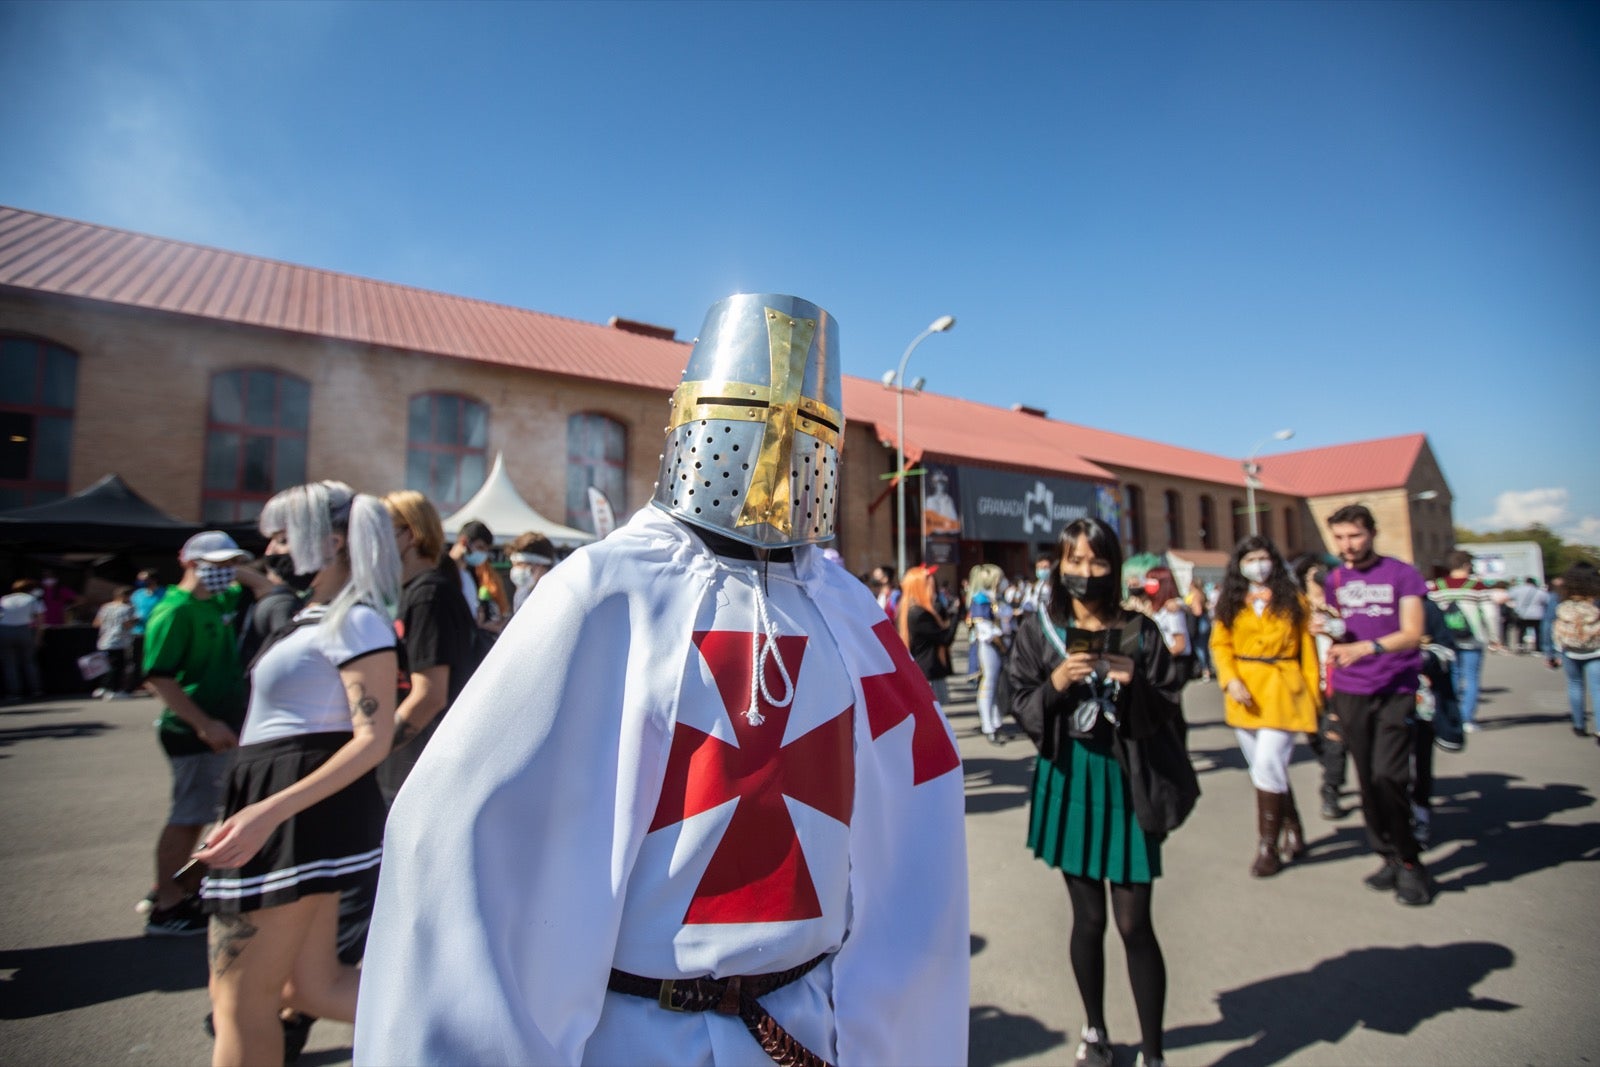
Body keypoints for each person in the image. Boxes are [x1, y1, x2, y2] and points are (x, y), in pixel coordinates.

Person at [354, 293, 969, 1066]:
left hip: (809, 1028)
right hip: (644, 1035)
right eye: (745, 413)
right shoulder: (608, 590)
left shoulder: (846, 611)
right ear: (691, 421)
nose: (773, 448)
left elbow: (917, 817)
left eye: (805, 427)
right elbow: (470, 843)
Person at [193, 480, 399, 1067]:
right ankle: (482, 1022)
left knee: (237, 1000)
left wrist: (265, 812)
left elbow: (373, 738)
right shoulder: (322, 616)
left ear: (331, 541)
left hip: (289, 820)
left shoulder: (354, 622)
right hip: (284, 812)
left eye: (283, 538)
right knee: (304, 989)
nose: (273, 549)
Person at [1007, 516, 1183, 1067]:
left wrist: (1137, 685)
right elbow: (1021, 700)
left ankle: (1153, 1053)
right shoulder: (1040, 629)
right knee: (1087, 920)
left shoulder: (1139, 629)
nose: (1085, 572)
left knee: (1135, 924)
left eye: (1097, 561)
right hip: (1071, 779)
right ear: (1060, 565)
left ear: (1113, 565)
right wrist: (1056, 683)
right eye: (1074, 561)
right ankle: (1095, 1032)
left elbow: (1171, 710)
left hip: (1127, 780)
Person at [140, 532, 253, 936]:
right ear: (188, 562)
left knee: (204, 814)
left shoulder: (217, 601)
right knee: (189, 817)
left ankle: (172, 887)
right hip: (194, 731)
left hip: (219, 725)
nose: (227, 572)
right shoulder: (174, 611)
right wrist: (203, 723)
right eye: (218, 564)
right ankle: (167, 904)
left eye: (230, 564)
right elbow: (159, 677)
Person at [1321, 504, 1432, 906]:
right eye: (1339, 538)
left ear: (1371, 533)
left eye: (1354, 536)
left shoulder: (1402, 574)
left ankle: (1409, 861)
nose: (1346, 545)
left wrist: (1367, 648)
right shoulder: (1334, 578)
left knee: (1390, 776)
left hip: (1394, 687)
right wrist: (1327, 628)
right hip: (1350, 689)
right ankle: (1385, 853)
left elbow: (1413, 633)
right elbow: (1339, 628)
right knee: (1367, 780)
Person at [1209, 537, 1320, 877]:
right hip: (1244, 691)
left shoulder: (1294, 601)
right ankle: (1294, 828)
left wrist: (1316, 700)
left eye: (1263, 557)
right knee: (1266, 769)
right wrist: (1230, 680)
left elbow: (1308, 653)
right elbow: (1220, 644)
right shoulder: (1230, 602)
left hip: (1284, 687)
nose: (1258, 564)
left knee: (1267, 764)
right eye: (1250, 558)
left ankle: (1266, 847)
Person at [379, 489, 479, 802]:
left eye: (381, 532)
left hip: (418, 769)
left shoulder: (429, 596)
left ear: (408, 534)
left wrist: (369, 752)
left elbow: (429, 696)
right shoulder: (413, 593)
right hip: (409, 765)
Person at [1291, 555, 1347, 820]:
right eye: (1313, 572)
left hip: (1339, 683)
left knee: (1335, 737)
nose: (1318, 577)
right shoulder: (1297, 608)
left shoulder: (1340, 604)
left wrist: (1335, 624)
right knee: (1315, 736)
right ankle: (1332, 771)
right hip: (1308, 683)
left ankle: (1331, 790)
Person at [1427, 550, 1490, 732]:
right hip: (1472, 639)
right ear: (1466, 565)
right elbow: (1490, 613)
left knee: (1451, 678)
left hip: (1445, 639)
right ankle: (1467, 718)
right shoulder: (1476, 586)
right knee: (1471, 678)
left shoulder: (1438, 586)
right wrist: (1494, 638)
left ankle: (1451, 715)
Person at [1551, 562, 1600, 739]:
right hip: (1596, 648)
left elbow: (1549, 622)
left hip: (1569, 648)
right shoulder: (1596, 599)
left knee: (1575, 684)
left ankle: (1579, 724)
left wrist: (1550, 652)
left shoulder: (1561, 597)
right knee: (1598, 689)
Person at [898, 564, 958, 707]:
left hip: (927, 670)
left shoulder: (913, 611)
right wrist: (956, 614)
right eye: (929, 584)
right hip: (928, 673)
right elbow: (945, 638)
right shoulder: (918, 614)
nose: (932, 588)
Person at [966, 562, 1009, 744]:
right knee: (988, 683)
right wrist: (1000, 642)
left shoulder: (992, 598)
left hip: (996, 644)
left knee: (994, 683)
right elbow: (984, 627)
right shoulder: (980, 599)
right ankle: (987, 725)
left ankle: (996, 721)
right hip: (988, 646)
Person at [0, 578, 45, 703]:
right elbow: (40, 621)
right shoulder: (32, 599)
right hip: (24, 630)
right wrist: (38, 637)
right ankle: (35, 690)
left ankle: (14, 692)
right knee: (29, 661)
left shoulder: (4, 599)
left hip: (4, 630)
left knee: (9, 663)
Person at [92, 585, 138, 698]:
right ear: (125, 596)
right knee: (117, 667)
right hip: (118, 641)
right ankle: (114, 690)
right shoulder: (126, 609)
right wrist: (135, 620)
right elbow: (127, 624)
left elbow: (96, 623)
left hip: (104, 640)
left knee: (105, 666)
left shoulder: (105, 607)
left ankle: (102, 688)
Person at [449, 519, 494, 619]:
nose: (483, 554)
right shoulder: (443, 572)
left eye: (486, 550)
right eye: (480, 547)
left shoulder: (470, 574)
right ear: (464, 542)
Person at [506, 531, 557, 614]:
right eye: (513, 565)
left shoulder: (553, 598)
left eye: (519, 564)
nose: (515, 569)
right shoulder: (522, 592)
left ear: (540, 566)